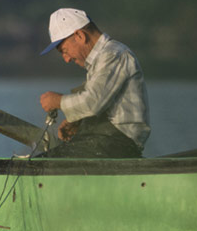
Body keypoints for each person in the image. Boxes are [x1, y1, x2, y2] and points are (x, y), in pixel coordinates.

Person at [37, 8, 150, 158]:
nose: (66, 59)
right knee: (47, 159)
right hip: (107, 143)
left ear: (79, 36)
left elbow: (93, 101)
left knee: (43, 164)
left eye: (64, 50)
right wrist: (78, 121)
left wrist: (57, 101)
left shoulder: (114, 54)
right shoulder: (101, 60)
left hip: (119, 144)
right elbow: (103, 103)